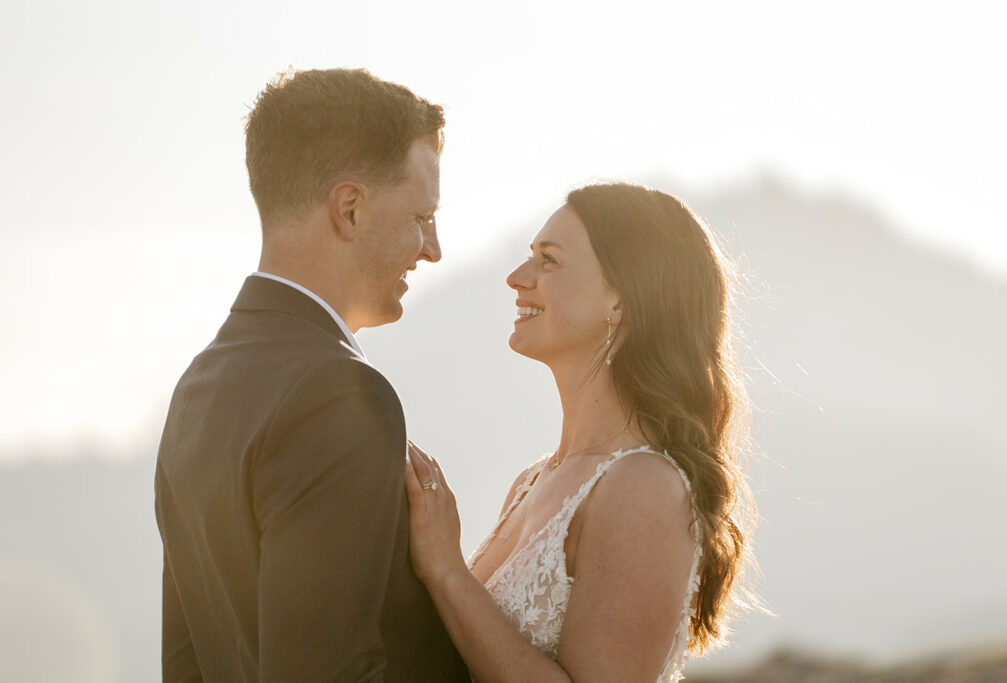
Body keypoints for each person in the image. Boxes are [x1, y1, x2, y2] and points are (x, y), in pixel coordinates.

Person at [154, 68, 469, 681]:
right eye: (422, 216)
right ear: (348, 209)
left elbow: (185, 665)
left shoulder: (197, 388)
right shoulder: (336, 394)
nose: (433, 248)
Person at [405, 183, 756, 682]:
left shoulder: (644, 487)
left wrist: (445, 568)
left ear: (621, 298)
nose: (516, 277)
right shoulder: (533, 479)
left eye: (548, 260)